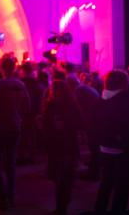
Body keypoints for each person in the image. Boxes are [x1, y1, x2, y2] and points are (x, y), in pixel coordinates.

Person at [93, 70, 129, 212]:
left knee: (106, 183)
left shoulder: (101, 99)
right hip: (122, 150)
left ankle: (99, 209)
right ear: (123, 83)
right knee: (122, 186)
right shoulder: (124, 100)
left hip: (104, 148)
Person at [0, 56, 30, 209]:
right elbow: (27, 106)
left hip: (0, 127)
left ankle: (1, 195)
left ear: (2, 68)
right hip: (15, 126)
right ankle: (11, 195)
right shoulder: (21, 85)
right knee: (11, 162)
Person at [41, 80, 81, 215]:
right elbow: (79, 124)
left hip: (58, 147)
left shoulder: (51, 105)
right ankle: (64, 203)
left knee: (59, 178)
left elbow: (46, 126)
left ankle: (61, 207)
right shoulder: (72, 105)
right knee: (64, 177)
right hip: (67, 146)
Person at [18, 61, 43, 164]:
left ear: (23, 71)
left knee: (23, 135)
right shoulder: (36, 83)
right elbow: (39, 97)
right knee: (32, 134)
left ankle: (23, 156)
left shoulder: (22, 83)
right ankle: (32, 156)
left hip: (24, 113)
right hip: (33, 112)